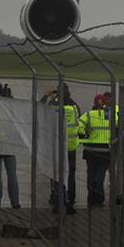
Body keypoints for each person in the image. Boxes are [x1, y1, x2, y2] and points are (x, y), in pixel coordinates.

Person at [41, 84, 79, 214]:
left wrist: (47, 95)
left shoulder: (54, 106)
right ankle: (69, 201)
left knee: (56, 174)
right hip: (71, 145)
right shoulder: (74, 107)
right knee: (70, 175)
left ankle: (57, 199)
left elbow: (40, 110)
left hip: (57, 146)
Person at [78, 93, 117, 206]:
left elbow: (79, 127)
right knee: (100, 175)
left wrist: (85, 135)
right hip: (105, 150)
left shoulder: (89, 114)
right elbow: (118, 125)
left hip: (91, 150)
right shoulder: (109, 114)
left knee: (91, 173)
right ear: (104, 103)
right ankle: (99, 198)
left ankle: (91, 197)